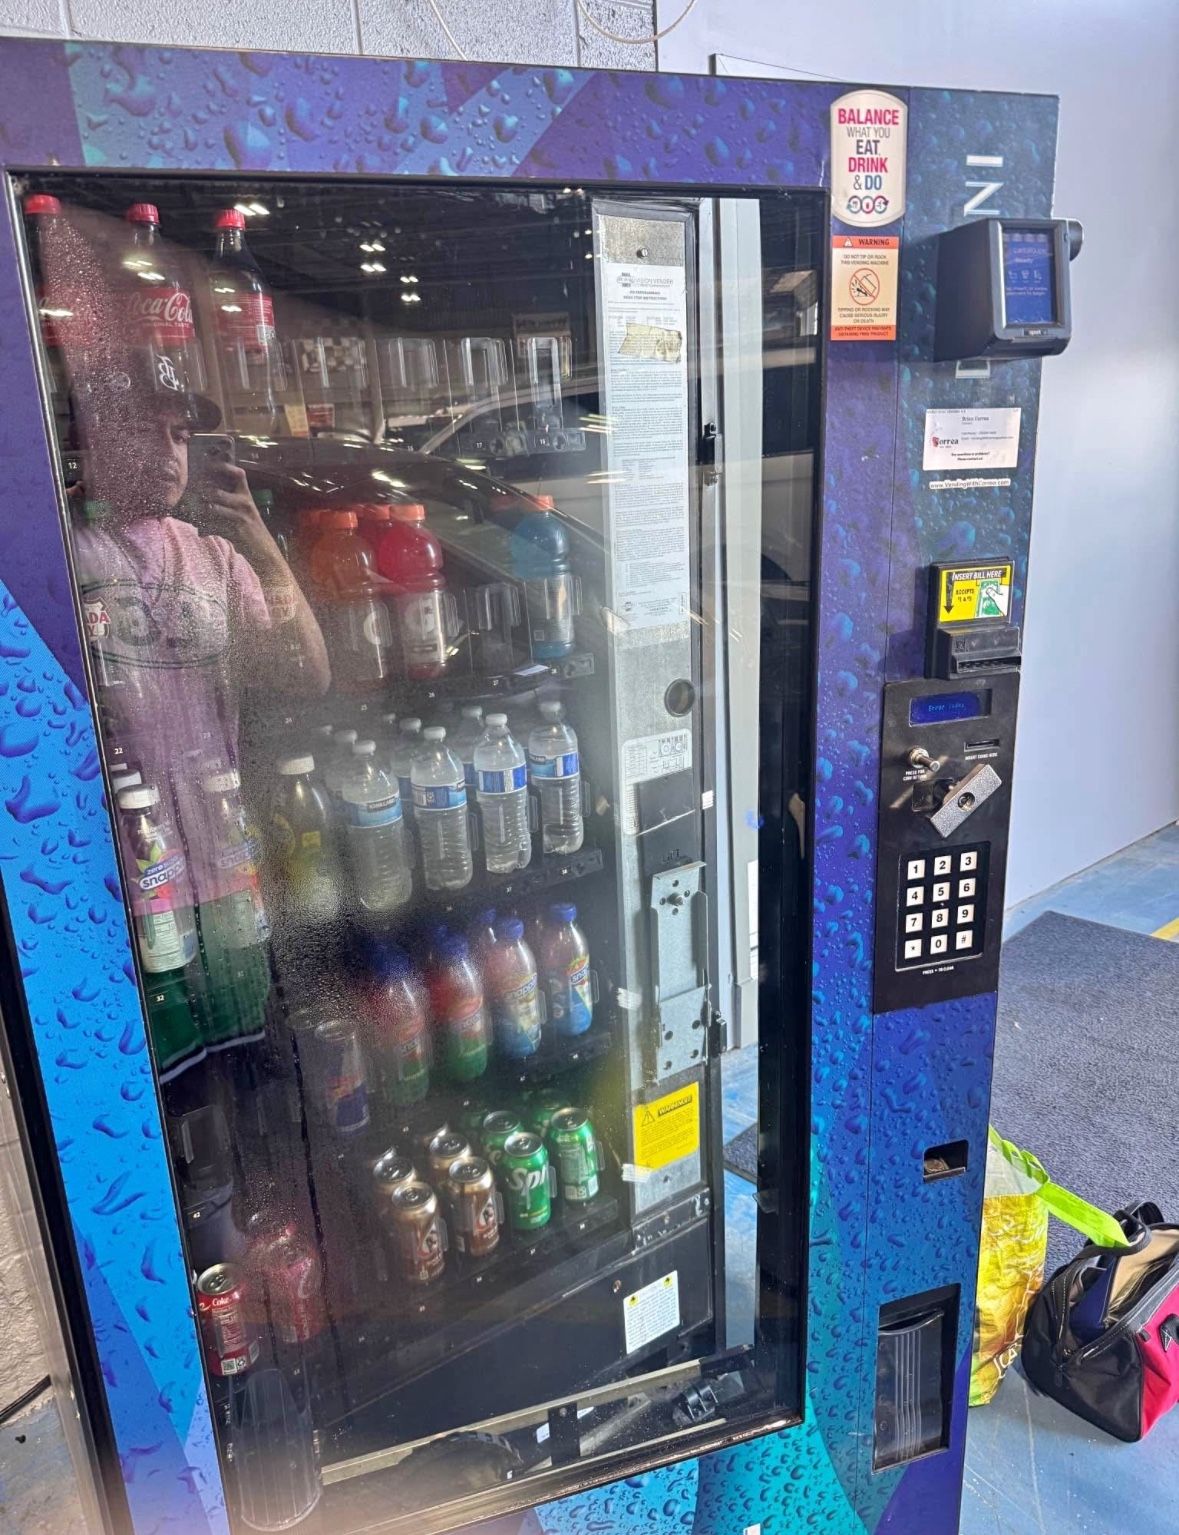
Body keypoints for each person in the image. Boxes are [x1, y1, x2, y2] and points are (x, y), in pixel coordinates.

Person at [74, 368, 330, 802]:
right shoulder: (55, 541)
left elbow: (305, 676)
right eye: (143, 431)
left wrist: (260, 540)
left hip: (216, 818)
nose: (169, 453)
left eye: (180, 435)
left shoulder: (214, 554)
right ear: (96, 439)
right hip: (105, 829)